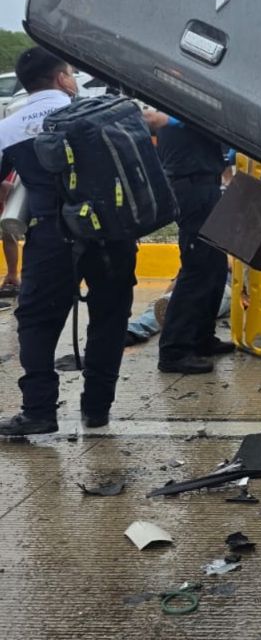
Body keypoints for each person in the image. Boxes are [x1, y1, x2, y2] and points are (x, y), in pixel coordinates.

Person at [0, 48, 139, 435]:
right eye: (71, 74)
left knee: (36, 320)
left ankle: (39, 410)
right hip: (111, 233)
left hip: (52, 235)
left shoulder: (9, 129)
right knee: (110, 315)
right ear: (62, 79)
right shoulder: (98, 114)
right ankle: (97, 410)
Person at [142, 111, 231, 374]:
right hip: (192, 187)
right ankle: (174, 351)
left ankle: (202, 338)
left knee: (215, 266)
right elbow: (160, 118)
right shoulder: (181, 107)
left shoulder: (192, 110)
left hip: (205, 185)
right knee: (197, 269)